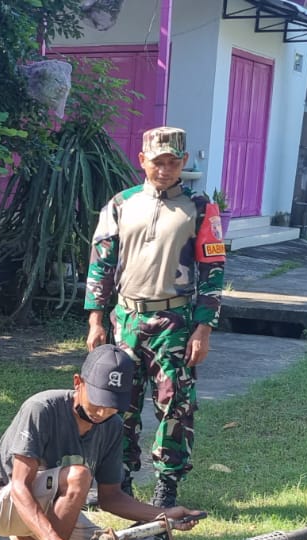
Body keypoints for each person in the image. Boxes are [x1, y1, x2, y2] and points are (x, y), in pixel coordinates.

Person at [84, 126, 224, 510]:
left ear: (184, 162)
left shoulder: (199, 207)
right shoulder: (121, 204)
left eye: (173, 162)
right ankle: (118, 481)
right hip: (126, 320)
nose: (165, 169)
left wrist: (203, 327)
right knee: (117, 403)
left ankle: (167, 483)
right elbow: (102, 264)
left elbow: (213, 270)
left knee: (174, 404)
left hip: (175, 321)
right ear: (142, 161)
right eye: (157, 162)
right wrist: (96, 319)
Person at [0, 345, 206, 540]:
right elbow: (19, 487)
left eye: (112, 404)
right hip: (0, 500)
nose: (102, 411)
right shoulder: (41, 408)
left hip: (46, 501)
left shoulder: (113, 426)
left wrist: (164, 515)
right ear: (78, 383)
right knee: (79, 475)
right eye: (98, 399)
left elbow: (111, 497)